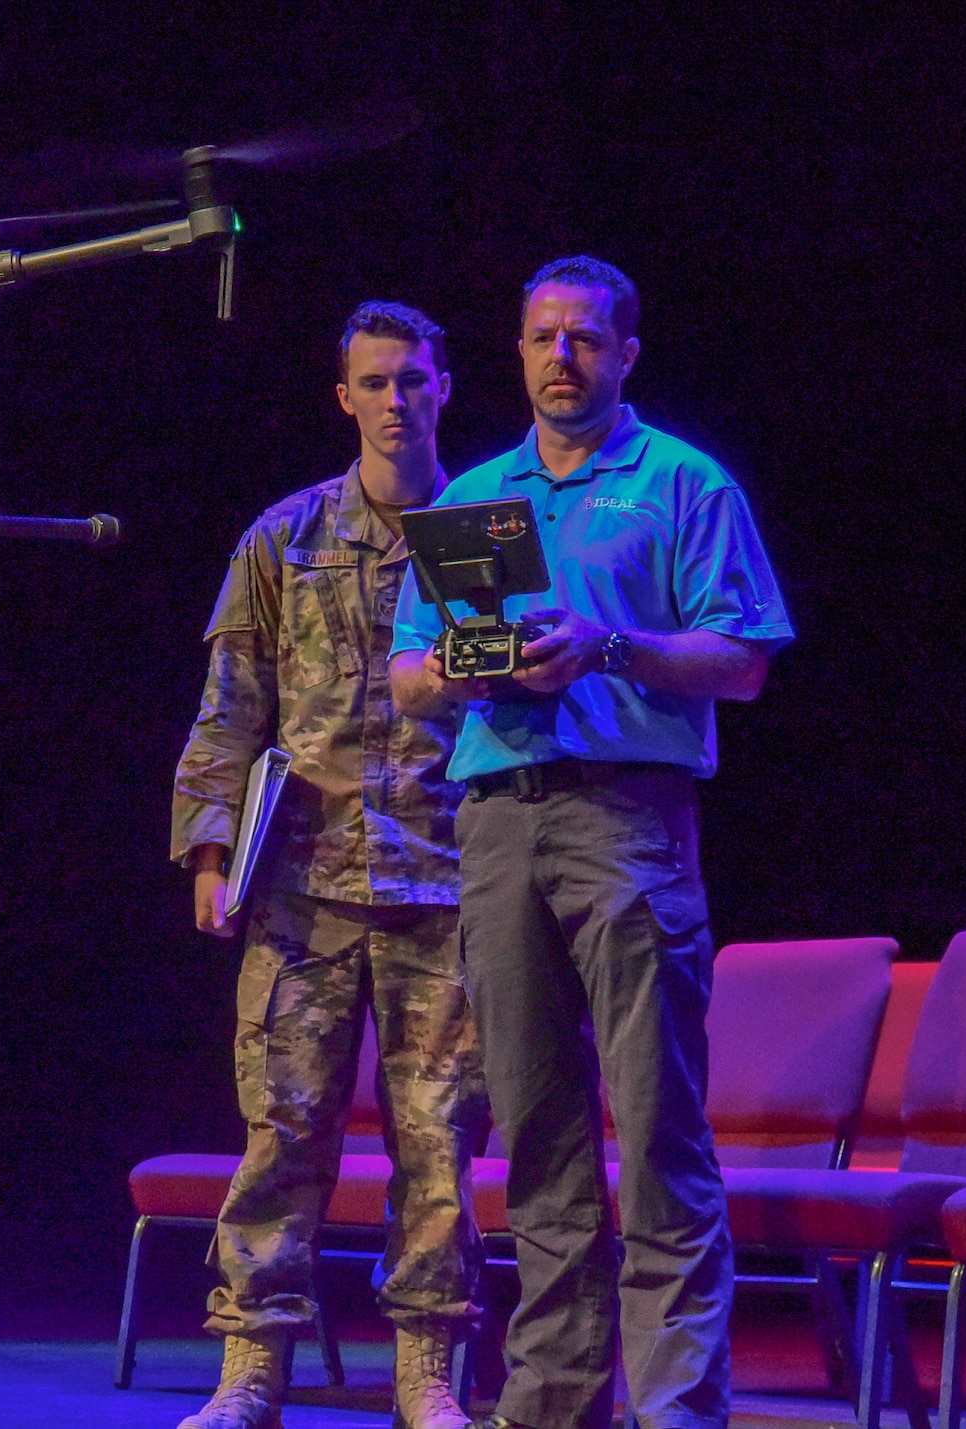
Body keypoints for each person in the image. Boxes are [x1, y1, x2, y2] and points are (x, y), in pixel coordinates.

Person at [389, 257, 793, 1429]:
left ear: (624, 354)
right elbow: (411, 672)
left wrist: (607, 643)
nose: (559, 356)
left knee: (654, 1122)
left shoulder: (679, 482)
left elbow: (744, 658)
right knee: (535, 1128)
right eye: (539, 337)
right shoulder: (471, 495)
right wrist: (479, 665)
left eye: (584, 339)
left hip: (624, 812)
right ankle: (553, 1404)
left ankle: (671, 1410)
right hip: (496, 817)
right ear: (514, 352)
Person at [171, 301, 491, 1429]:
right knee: (283, 1126)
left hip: (447, 882)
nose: (394, 399)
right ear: (342, 396)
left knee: (437, 1140)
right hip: (303, 885)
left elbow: (530, 703)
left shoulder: (485, 536)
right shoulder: (284, 537)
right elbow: (227, 710)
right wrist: (208, 851)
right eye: (374, 382)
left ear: (443, 387)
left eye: (412, 379)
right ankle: (252, 1361)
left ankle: (424, 1370)